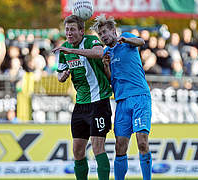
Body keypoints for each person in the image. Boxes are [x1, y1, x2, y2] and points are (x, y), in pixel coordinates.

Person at [91, 14, 152, 180]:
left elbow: (141, 42)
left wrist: (125, 40)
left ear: (113, 30)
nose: (103, 36)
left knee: (142, 142)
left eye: (105, 32)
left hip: (139, 96)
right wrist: (105, 66)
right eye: (100, 34)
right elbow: (111, 80)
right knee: (120, 146)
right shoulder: (107, 53)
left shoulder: (127, 39)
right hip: (121, 101)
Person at [52, 15, 112, 180]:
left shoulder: (90, 41)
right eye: (67, 30)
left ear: (81, 31)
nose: (69, 33)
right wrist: (63, 76)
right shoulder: (64, 49)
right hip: (81, 104)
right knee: (78, 150)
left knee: (97, 146)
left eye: (72, 29)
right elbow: (60, 75)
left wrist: (72, 51)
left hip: (99, 102)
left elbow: (100, 53)